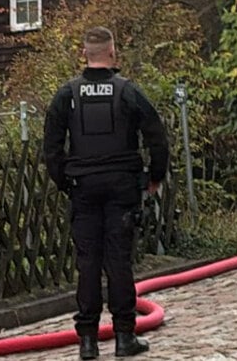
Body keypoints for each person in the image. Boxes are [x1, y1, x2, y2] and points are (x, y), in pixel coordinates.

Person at [43, 27, 170, 359]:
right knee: (118, 260)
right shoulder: (127, 91)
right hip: (121, 186)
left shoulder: (67, 95)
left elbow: (52, 148)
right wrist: (155, 176)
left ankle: (87, 341)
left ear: (84, 53)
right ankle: (125, 336)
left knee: (88, 262)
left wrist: (65, 183)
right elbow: (156, 134)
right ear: (112, 53)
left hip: (83, 187)